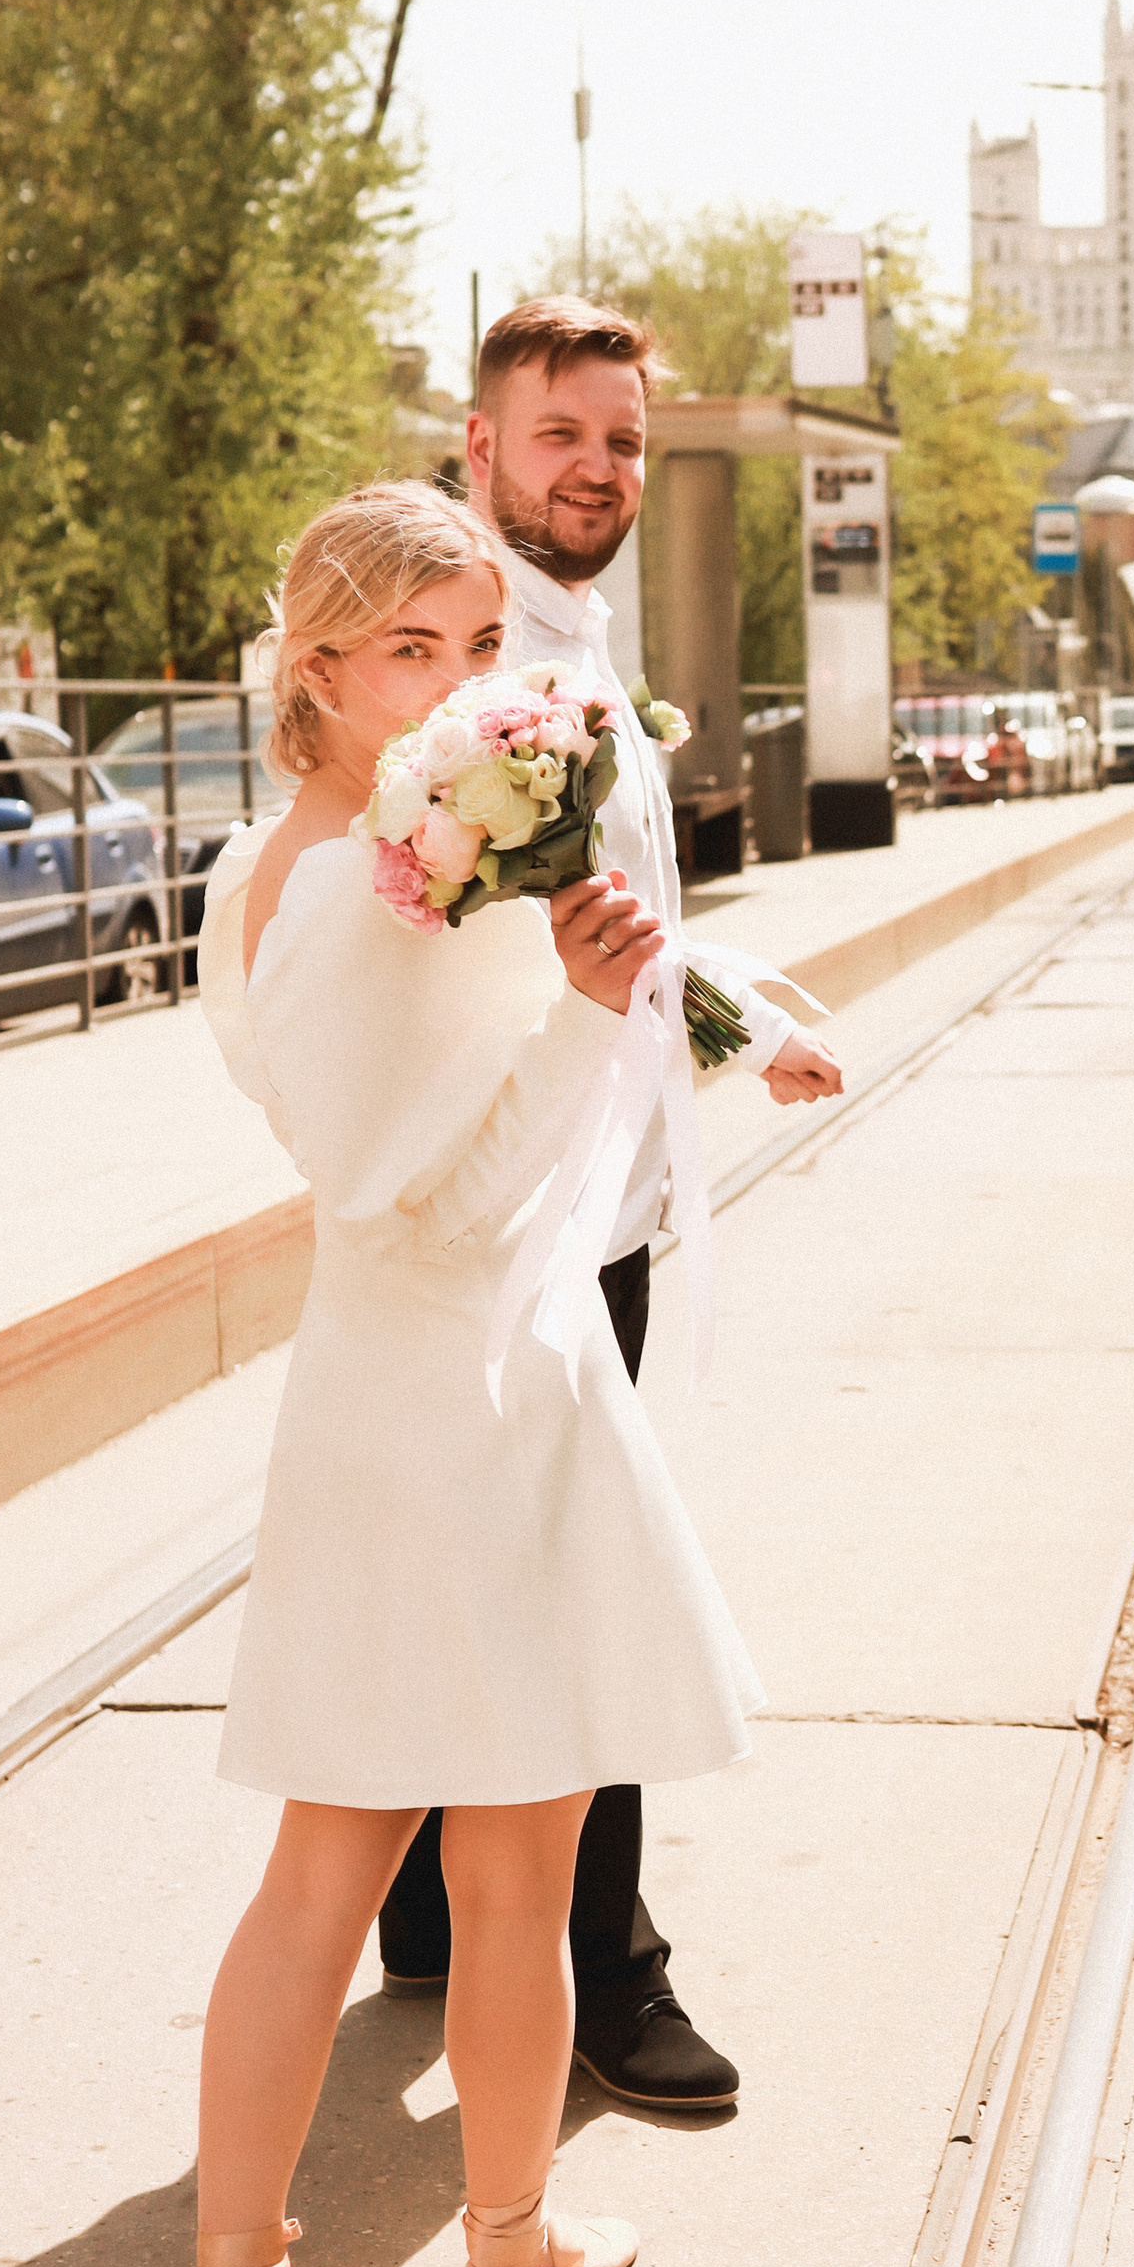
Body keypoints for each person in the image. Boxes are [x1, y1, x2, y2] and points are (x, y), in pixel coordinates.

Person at [170, 479, 801, 2267]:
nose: (456, 683)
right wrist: (592, 1018)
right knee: (441, 1879)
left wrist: (733, 1023)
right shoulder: (365, 888)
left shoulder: (336, 857)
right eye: (409, 652)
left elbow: (555, 992)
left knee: (378, 1873)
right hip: (465, 1395)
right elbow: (401, 1183)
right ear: (324, 667)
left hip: (392, 1400)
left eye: (476, 647)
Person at [372, 297, 840, 2109]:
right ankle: (608, 1968)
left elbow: (616, 932)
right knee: (596, 1585)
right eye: (563, 434)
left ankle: (428, 1901)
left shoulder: (571, 638)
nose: (601, 468)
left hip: (607, 1184)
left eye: (625, 440)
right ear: (481, 446)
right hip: (527, 1199)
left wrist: (745, 1027)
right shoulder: (460, 661)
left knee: (512, 1557)